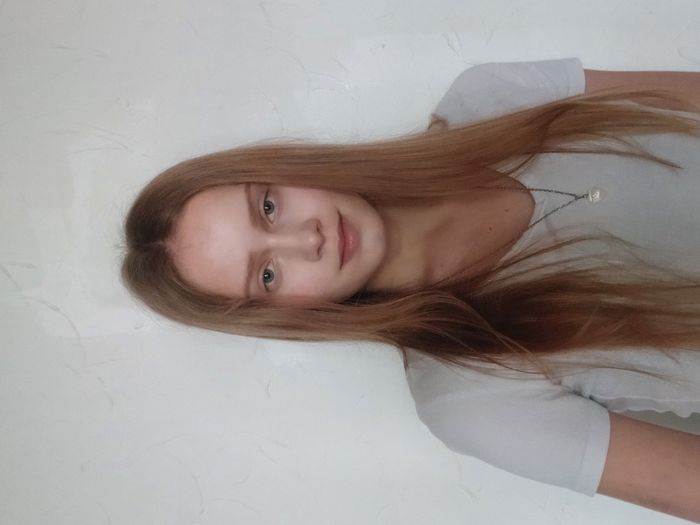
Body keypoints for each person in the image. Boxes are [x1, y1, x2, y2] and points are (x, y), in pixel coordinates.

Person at [120, 58, 700, 522]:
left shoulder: (490, 98)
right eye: (267, 274)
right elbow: (686, 485)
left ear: (285, 167)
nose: (307, 238)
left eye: (268, 206)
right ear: (285, 316)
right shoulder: (469, 401)